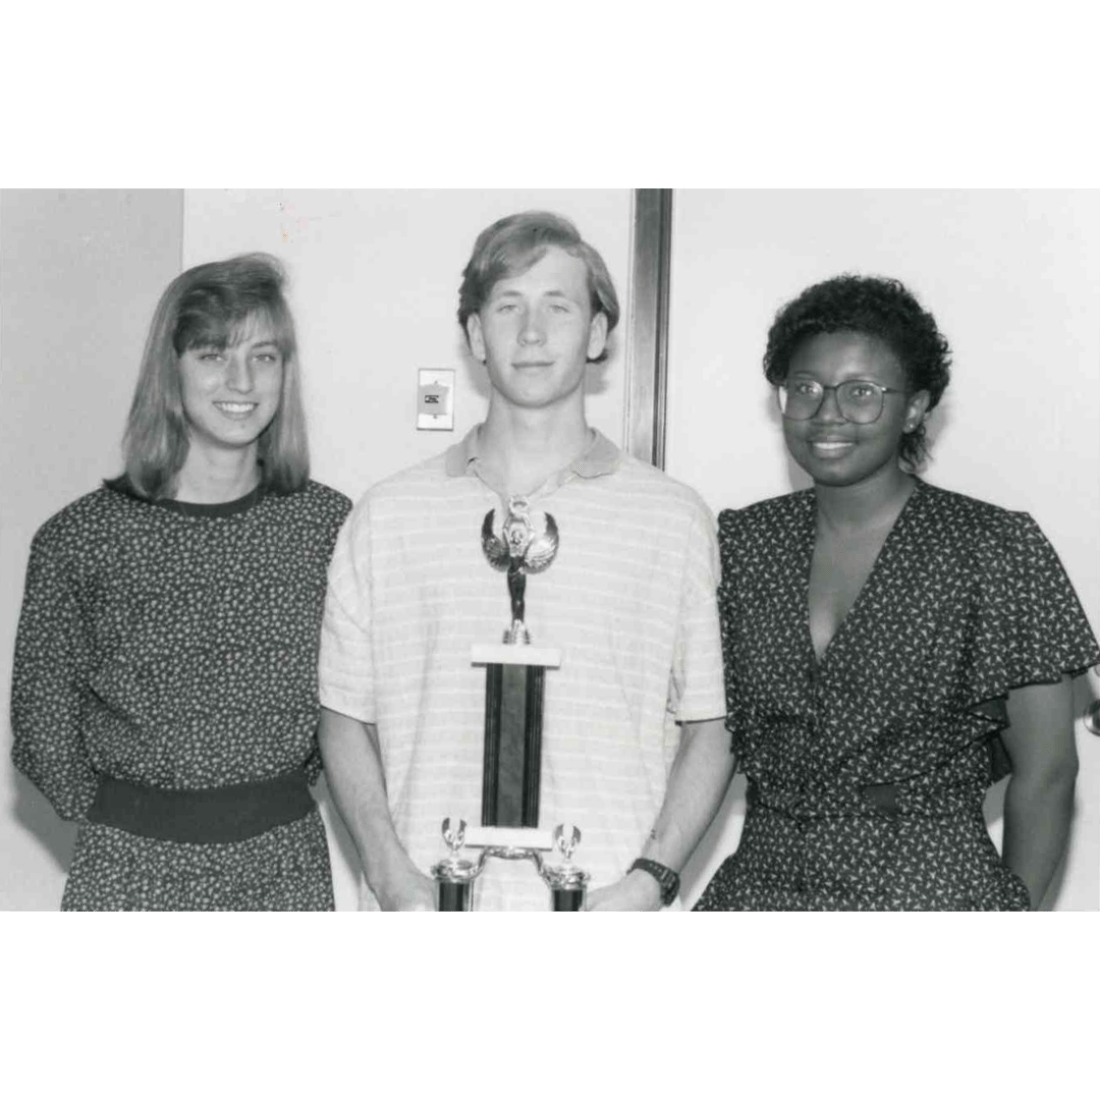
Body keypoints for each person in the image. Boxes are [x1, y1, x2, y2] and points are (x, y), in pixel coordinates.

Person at [319, 211, 731, 911]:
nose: (532, 333)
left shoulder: (675, 519)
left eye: (558, 307)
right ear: (477, 335)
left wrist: (647, 881)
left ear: (598, 333)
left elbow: (711, 723)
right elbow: (342, 715)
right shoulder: (385, 517)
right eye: (508, 307)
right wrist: (392, 877)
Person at [695, 274, 1099, 912]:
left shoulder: (992, 547)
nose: (827, 414)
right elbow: (704, 731)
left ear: (915, 407)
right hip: (761, 887)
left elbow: (1049, 773)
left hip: (929, 891)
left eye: (862, 393)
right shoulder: (743, 542)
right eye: (805, 388)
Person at [11, 254, 351, 911]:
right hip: (131, 872)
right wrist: (135, 820)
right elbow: (42, 727)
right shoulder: (80, 539)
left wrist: (266, 795)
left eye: (264, 356)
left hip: (285, 870)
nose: (240, 380)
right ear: (170, 370)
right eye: (211, 353)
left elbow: (348, 711)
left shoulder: (328, 527)